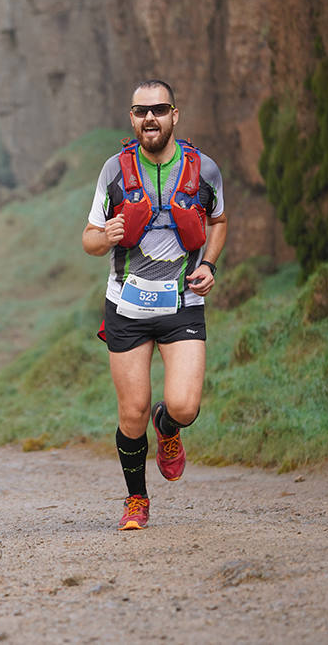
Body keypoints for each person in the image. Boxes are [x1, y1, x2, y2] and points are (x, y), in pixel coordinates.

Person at [81, 80, 228, 530]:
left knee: (183, 406)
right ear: (132, 117)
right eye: (142, 111)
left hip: (182, 302)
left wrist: (211, 265)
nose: (150, 118)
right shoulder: (113, 171)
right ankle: (136, 500)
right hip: (126, 303)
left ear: (174, 115)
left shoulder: (204, 169)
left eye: (159, 110)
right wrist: (103, 236)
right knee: (132, 411)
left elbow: (218, 221)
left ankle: (168, 428)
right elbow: (89, 240)